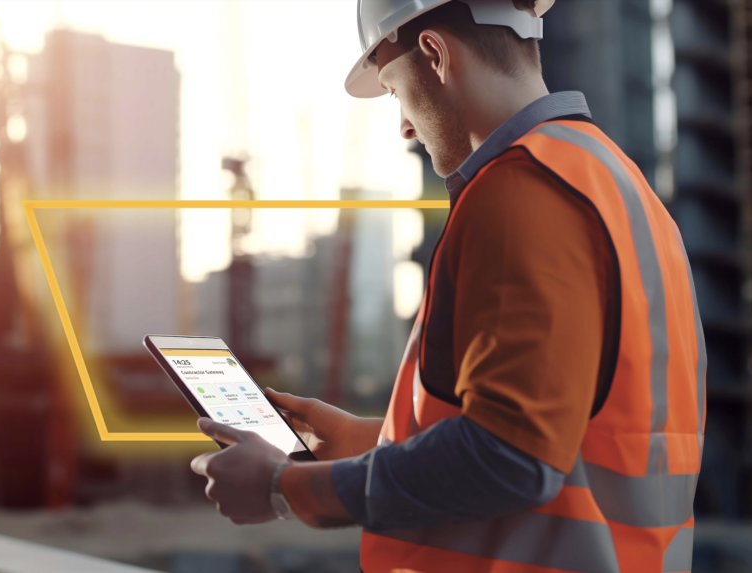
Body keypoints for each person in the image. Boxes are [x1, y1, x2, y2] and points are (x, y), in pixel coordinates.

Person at [191, 1, 706, 571]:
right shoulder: (616, 183)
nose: (405, 125)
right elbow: (570, 440)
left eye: (394, 91)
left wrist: (285, 488)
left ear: (434, 54)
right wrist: (367, 441)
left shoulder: (521, 192)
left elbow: (508, 458)